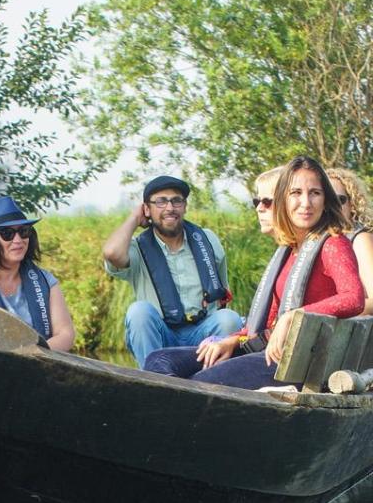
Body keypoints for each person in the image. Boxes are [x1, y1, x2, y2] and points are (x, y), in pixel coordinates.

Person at [146, 156, 364, 390]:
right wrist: (233, 341)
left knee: (197, 385)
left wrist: (295, 315)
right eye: (296, 193)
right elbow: (267, 320)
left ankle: (181, 416)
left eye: (315, 193)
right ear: (283, 199)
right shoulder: (290, 249)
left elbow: (354, 297)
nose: (306, 203)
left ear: (325, 199)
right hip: (265, 348)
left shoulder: (332, 243)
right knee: (159, 360)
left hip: (295, 360)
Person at [102, 174, 242, 367]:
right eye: (160, 202)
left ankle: (215, 380)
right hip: (162, 334)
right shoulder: (137, 248)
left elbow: (222, 293)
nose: (170, 208)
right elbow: (111, 253)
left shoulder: (207, 240)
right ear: (147, 209)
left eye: (176, 201)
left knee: (229, 319)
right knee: (138, 312)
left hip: (203, 332)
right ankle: (153, 380)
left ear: (184, 206)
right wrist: (134, 218)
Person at [0, 195, 75, 352]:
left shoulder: (47, 282)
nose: (18, 240)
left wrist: (32, 354)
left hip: (40, 365)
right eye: (7, 233)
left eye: (23, 231)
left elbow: (66, 334)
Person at [327, 167, 373, 315]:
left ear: (351, 205)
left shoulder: (360, 240)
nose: (332, 206)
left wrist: (322, 313)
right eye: (326, 199)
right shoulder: (320, 242)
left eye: (339, 200)